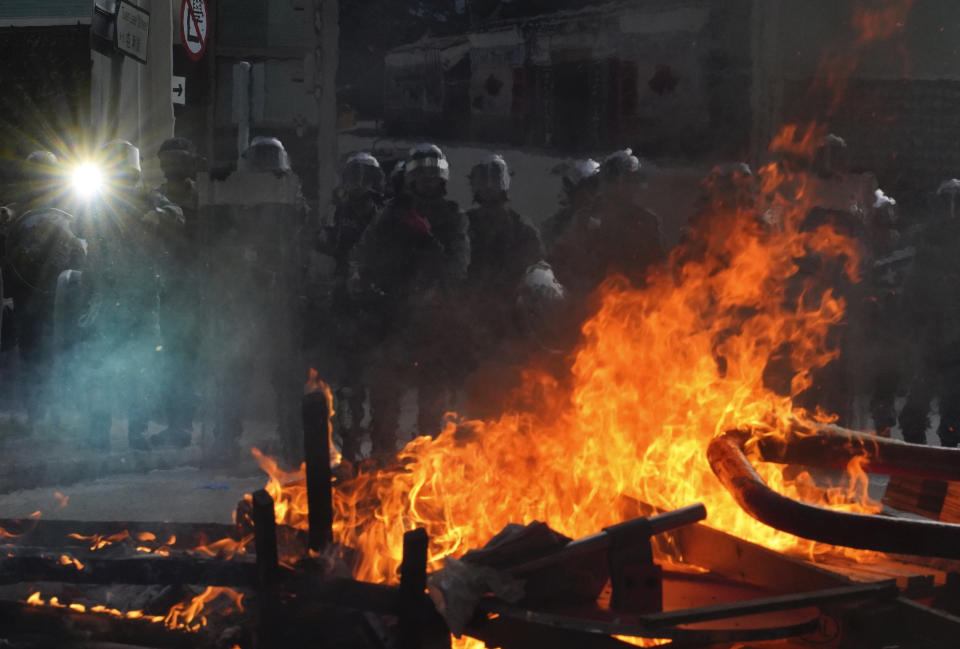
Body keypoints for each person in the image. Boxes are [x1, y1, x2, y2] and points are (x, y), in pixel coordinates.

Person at [350, 143, 470, 455]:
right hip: (393, 317)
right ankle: (383, 462)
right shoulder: (391, 215)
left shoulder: (452, 216)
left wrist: (430, 241)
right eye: (422, 176)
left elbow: (458, 263)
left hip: (433, 320)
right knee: (385, 399)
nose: (427, 182)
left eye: (433, 176)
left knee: (432, 404)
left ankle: (425, 467)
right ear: (411, 179)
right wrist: (364, 281)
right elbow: (366, 254)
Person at [75, 140, 184, 450]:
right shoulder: (99, 204)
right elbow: (82, 233)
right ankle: (99, 434)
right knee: (102, 367)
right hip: (109, 297)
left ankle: (136, 433)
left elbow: (176, 214)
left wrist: (159, 215)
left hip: (143, 297)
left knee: (141, 369)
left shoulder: (151, 201)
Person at [2, 151, 86, 431]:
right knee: (32, 350)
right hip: (29, 292)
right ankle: (36, 412)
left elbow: (83, 237)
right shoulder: (22, 206)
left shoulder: (72, 199)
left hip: (63, 289)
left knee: (64, 349)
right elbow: (11, 249)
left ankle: (63, 410)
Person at [313, 152, 386, 461]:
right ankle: (350, 446)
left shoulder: (384, 215)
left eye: (364, 178)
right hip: (342, 303)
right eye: (353, 178)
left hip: (376, 305)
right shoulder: (336, 214)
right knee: (346, 385)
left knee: (382, 383)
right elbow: (322, 252)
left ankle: (382, 448)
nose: (358, 186)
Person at [549, 149, 665, 304]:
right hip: (591, 304)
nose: (632, 186)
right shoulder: (584, 219)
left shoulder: (647, 222)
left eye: (634, 180)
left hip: (635, 304)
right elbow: (563, 262)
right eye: (626, 180)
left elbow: (658, 266)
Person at [897, 179, 960, 447]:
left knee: (952, 417)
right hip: (932, 339)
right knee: (913, 417)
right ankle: (917, 467)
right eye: (946, 202)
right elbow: (912, 291)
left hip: (955, 340)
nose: (951, 209)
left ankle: (945, 474)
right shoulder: (925, 245)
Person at [149, 137, 201, 448]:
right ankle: (178, 426)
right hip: (169, 286)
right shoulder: (156, 197)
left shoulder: (204, 195)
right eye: (167, 161)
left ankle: (189, 426)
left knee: (190, 359)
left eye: (177, 160)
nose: (171, 168)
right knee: (175, 360)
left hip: (198, 285)